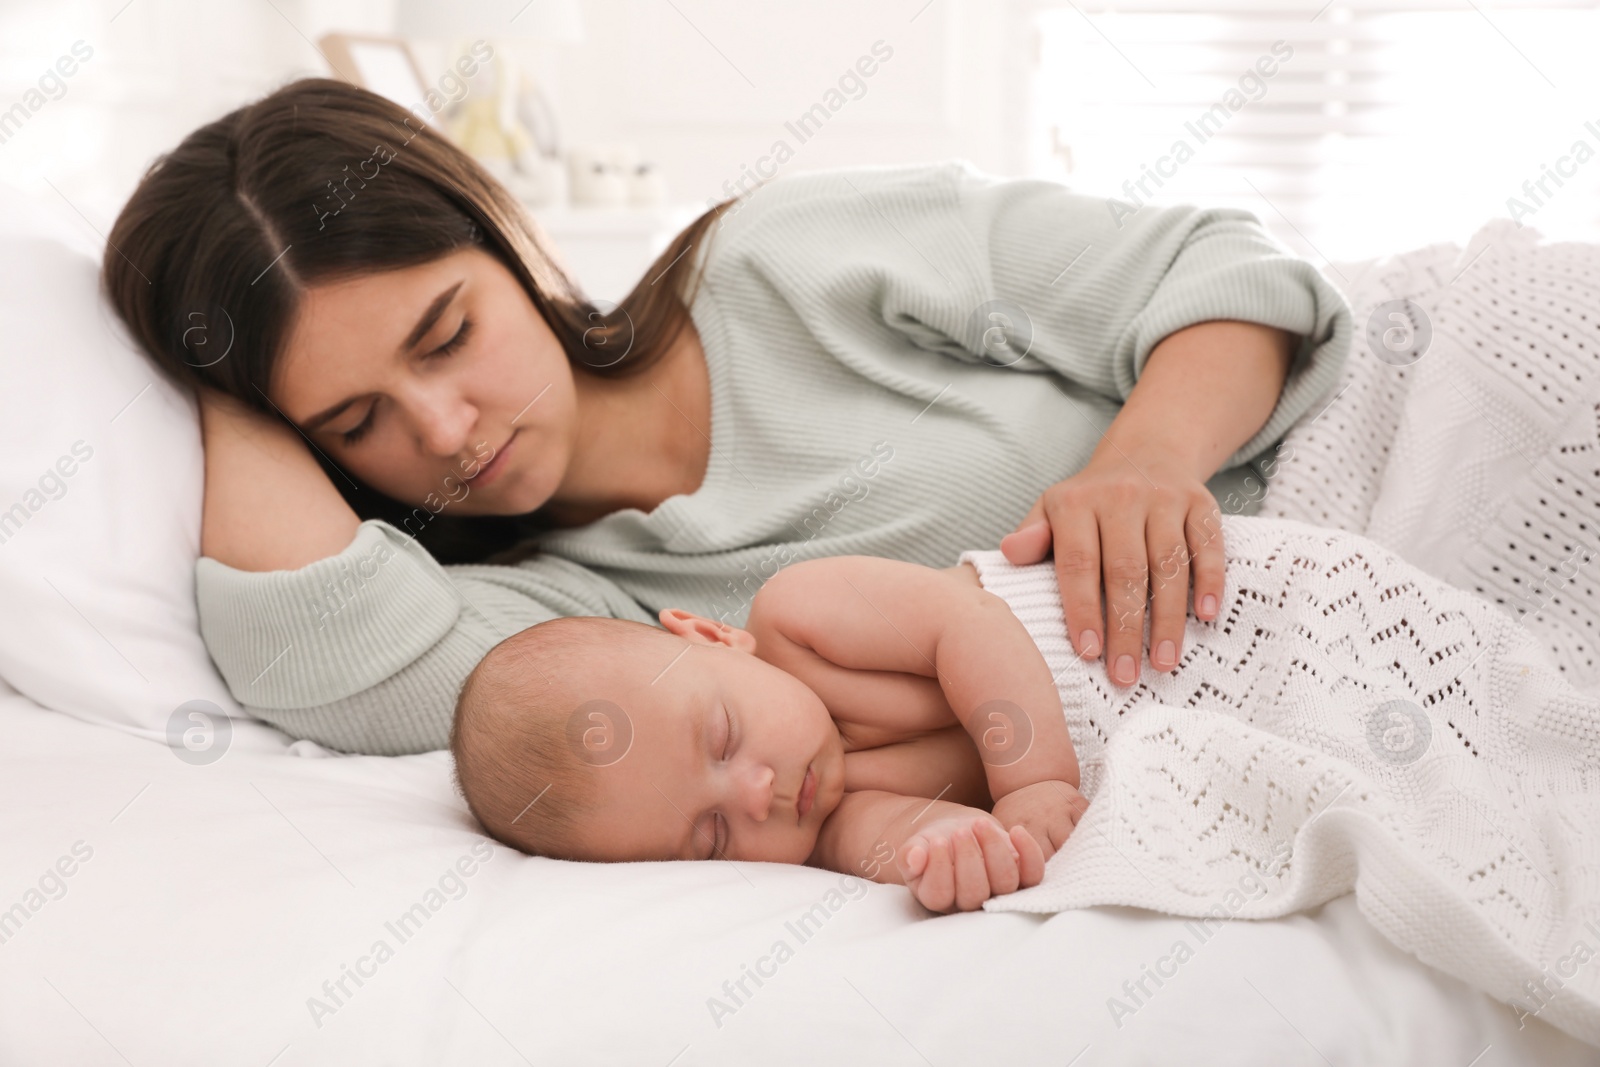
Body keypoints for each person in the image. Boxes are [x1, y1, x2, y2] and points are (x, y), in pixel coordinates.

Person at [101, 78, 1352, 755]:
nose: (440, 429)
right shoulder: (565, 612)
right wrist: (218, 373)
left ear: (503, 240)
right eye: (356, 417)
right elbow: (334, 669)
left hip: (1380, 432)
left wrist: (1143, 461)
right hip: (1313, 651)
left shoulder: (777, 261)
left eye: (448, 333)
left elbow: (1230, 277)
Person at [451, 552, 1090, 915]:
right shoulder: (819, 832)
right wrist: (947, 854)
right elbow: (904, 836)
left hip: (1115, 610)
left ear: (710, 637)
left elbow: (968, 623)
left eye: (723, 737)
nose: (757, 795)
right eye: (713, 837)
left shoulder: (798, 619)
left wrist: (1034, 782)